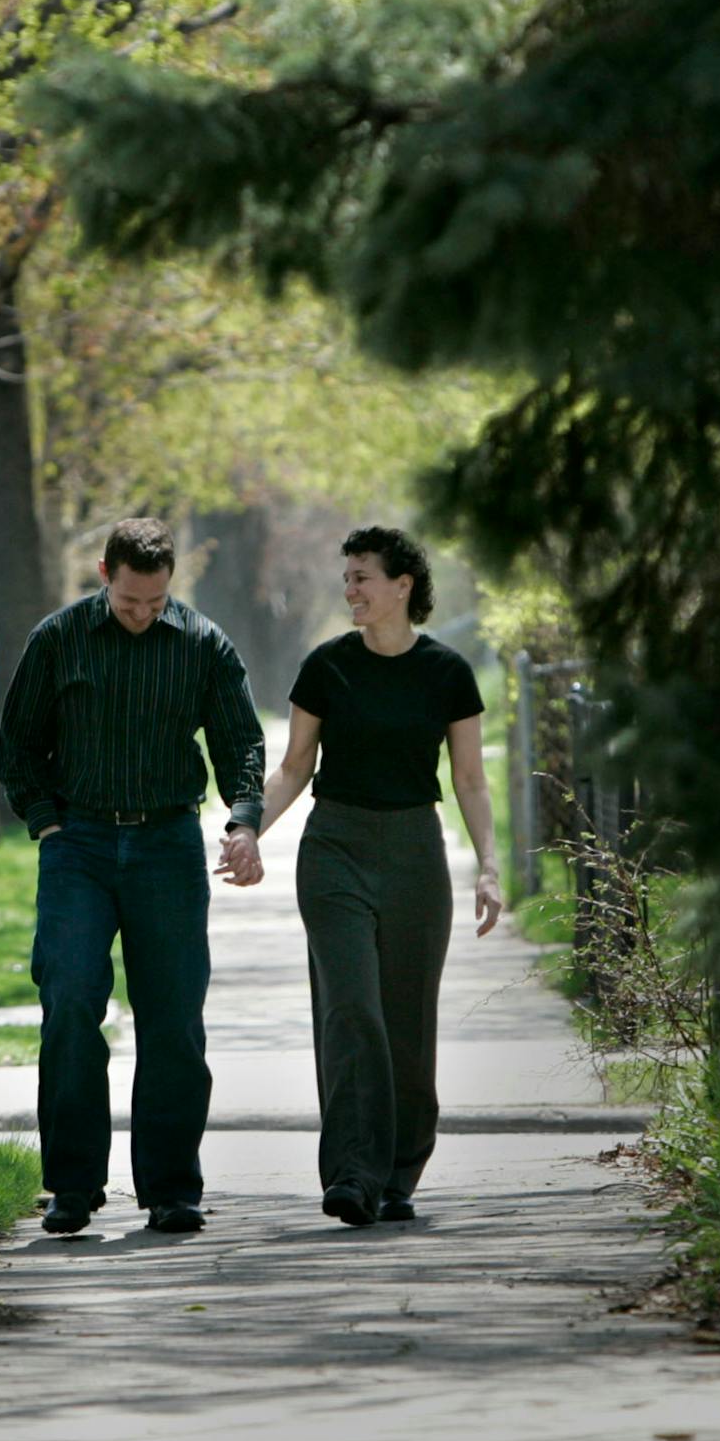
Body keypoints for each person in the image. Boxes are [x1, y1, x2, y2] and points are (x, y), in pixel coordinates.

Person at [225, 526, 502, 1228]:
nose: (349, 589)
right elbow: (294, 767)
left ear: (402, 585)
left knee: (407, 1023)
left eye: (362, 578)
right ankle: (352, 1172)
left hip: (415, 849)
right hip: (336, 847)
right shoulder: (327, 667)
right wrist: (250, 827)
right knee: (352, 1010)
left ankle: (399, 1171)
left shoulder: (447, 673)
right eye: (346, 578)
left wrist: (490, 868)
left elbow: (469, 780)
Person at [0, 518, 266, 1236]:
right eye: (128, 602)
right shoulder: (58, 639)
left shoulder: (203, 644)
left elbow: (242, 740)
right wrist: (45, 818)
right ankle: (73, 1187)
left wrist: (243, 821)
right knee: (72, 1003)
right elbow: (18, 743)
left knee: (174, 1017)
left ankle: (173, 1189)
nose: (143, 615)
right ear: (103, 573)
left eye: (155, 602)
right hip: (77, 845)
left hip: (168, 844)